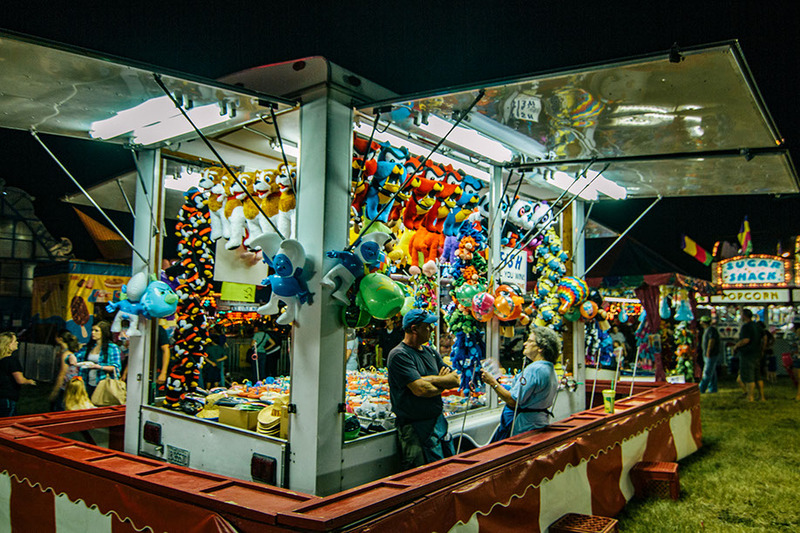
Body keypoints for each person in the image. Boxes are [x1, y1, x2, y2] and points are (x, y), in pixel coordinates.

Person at [387, 309, 460, 469]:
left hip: (438, 424)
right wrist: (441, 383)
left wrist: (430, 380)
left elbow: (455, 380)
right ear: (414, 329)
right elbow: (421, 390)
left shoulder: (431, 352)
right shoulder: (399, 355)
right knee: (423, 478)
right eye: (427, 326)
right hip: (415, 430)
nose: (432, 329)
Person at [481, 326, 559, 442]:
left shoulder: (534, 369)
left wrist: (493, 383)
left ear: (541, 348)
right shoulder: (548, 368)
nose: (525, 344)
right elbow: (520, 391)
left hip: (525, 428)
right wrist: (499, 382)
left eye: (530, 341)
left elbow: (513, 401)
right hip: (538, 423)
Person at [76, 321, 122, 397]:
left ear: (103, 332)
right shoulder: (88, 347)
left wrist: (99, 367)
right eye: (92, 330)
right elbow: (76, 358)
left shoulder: (112, 348)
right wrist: (70, 357)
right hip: (87, 382)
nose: (93, 333)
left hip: (103, 383)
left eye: (96, 330)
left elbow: (116, 367)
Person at [0, 331, 36, 417]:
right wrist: (29, 381)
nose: (17, 343)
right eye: (15, 341)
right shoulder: (12, 361)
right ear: (8, 344)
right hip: (7, 397)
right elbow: (20, 380)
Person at [732, 309, 762, 402]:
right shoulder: (757, 325)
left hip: (748, 353)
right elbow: (764, 337)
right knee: (757, 376)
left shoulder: (746, 327)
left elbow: (746, 340)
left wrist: (736, 346)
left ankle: (750, 397)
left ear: (744, 316)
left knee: (749, 376)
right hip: (757, 353)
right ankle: (762, 396)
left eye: (741, 314)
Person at [50, 329, 81, 410]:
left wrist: (55, 391)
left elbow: (62, 373)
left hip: (66, 386)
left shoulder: (66, 354)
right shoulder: (65, 352)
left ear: (60, 339)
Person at [698, 316, 722, 393]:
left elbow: (712, 340)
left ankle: (701, 389)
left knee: (707, 372)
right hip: (708, 354)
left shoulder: (711, 330)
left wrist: (708, 351)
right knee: (712, 372)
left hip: (711, 355)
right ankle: (713, 388)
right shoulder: (707, 330)